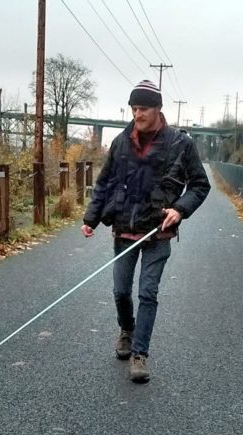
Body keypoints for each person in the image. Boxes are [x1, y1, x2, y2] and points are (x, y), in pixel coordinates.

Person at [81, 80, 210, 383]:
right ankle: (127, 330)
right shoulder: (121, 142)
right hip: (124, 229)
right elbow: (105, 183)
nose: (137, 114)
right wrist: (92, 218)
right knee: (121, 292)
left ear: (158, 109)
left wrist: (180, 209)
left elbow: (200, 185)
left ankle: (140, 354)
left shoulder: (181, 144)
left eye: (143, 109)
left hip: (158, 232)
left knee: (147, 293)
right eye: (134, 108)